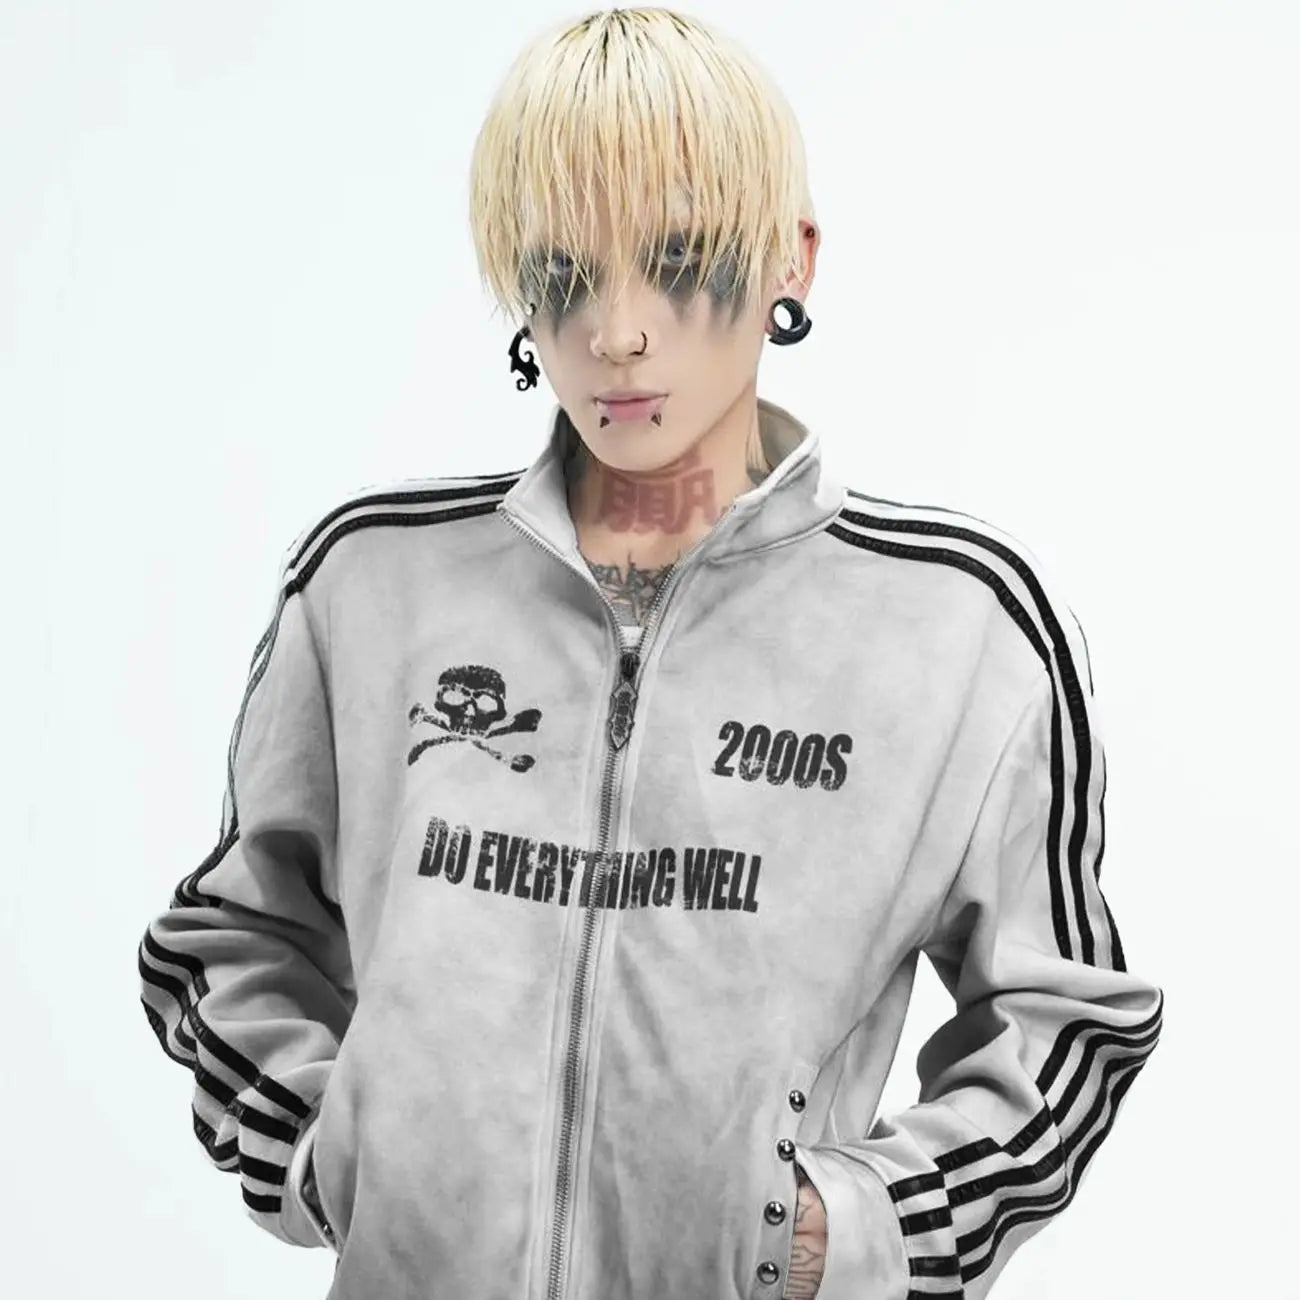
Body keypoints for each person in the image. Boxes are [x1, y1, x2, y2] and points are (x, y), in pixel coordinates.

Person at [136, 8, 1164, 1299]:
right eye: (563, 271)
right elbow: (232, 932)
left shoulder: (959, 625)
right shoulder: (373, 582)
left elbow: (1065, 1022)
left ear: (789, 257)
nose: (616, 331)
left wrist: (844, 1232)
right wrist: (334, 1150)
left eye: (677, 259)